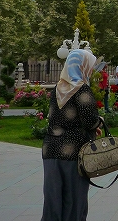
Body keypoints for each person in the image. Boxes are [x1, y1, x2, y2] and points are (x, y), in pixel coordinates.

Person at [42, 49, 104, 221]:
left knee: (53, 199)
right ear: (82, 66)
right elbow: (90, 120)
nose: (91, 70)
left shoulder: (58, 88)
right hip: (74, 152)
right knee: (74, 200)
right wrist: (99, 122)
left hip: (50, 149)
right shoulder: (81, 89)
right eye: (89, 65)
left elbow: (59, 117)